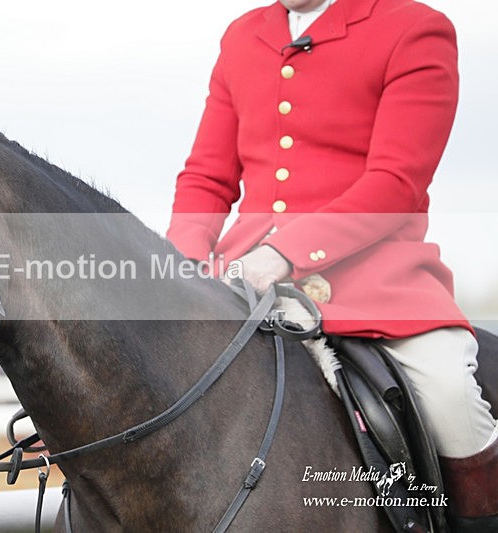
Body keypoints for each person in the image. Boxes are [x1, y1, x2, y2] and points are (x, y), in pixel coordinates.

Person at [166, 0, 498, 529]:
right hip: (244, 278)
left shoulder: (416, 29)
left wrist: (285, 253)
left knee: (450, 394)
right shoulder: (243, 36)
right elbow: (206, 177)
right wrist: (181, 266)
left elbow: (395, 182)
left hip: (377, 280)